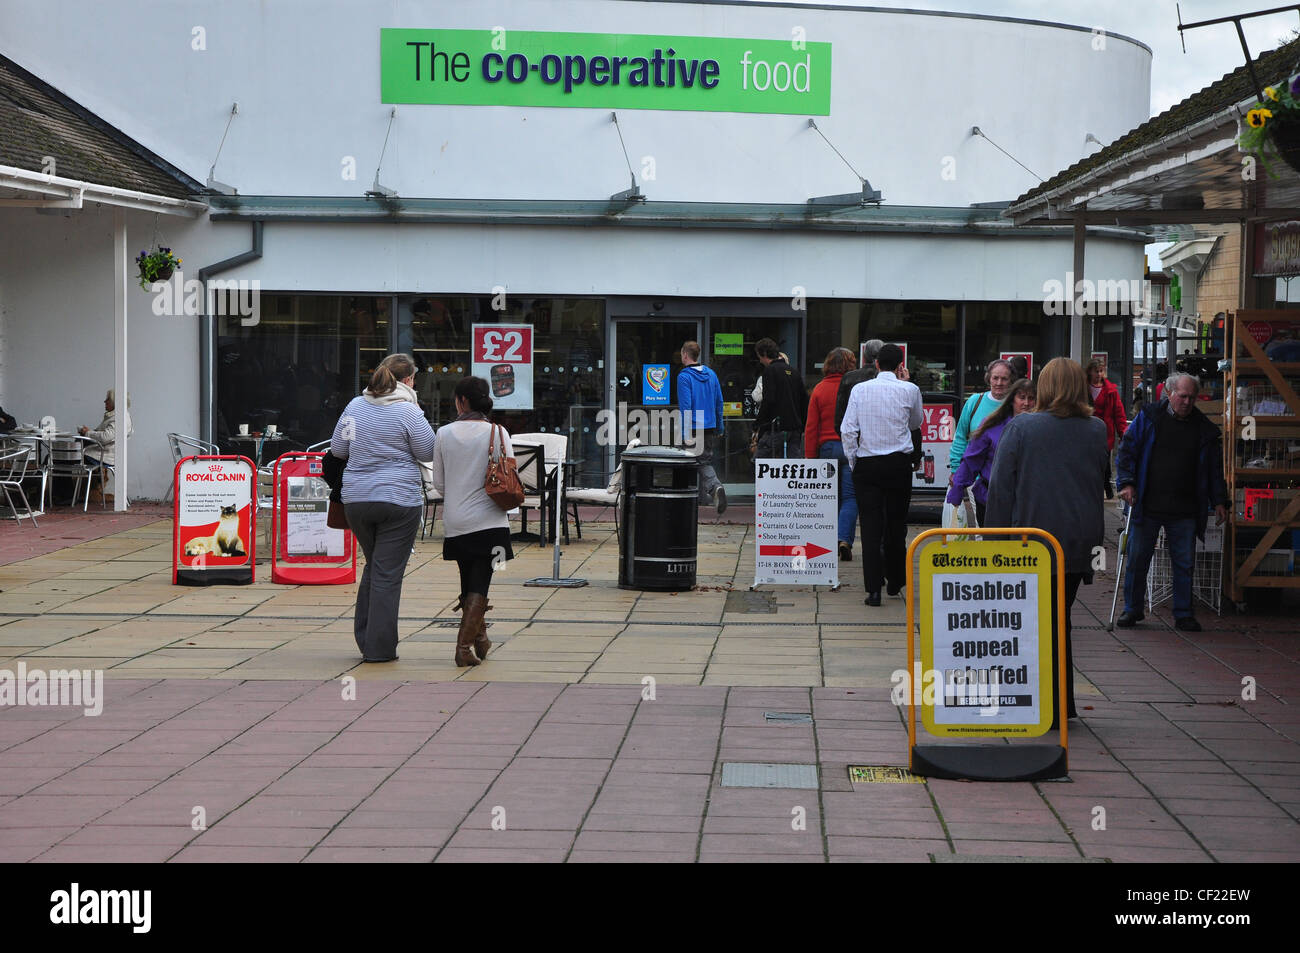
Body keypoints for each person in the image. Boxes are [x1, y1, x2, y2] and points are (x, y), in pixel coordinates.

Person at [985, 358, 1107, 727]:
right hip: (1078, 540)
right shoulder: (1097, 429)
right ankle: (1059, 702)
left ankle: (1042, 702)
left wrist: (993, 543)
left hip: (1032, 539)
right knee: (1059, 617)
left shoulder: (1023, 426)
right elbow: (1100, 479)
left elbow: (1001, 487)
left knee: (1034, 622)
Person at [331, 353, 435, 663]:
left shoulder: (354, 406)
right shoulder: (408, 411)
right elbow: (428, 450)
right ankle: (379, 649)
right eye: (414, 378)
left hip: (357, 499)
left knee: (375, 565)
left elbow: (338, 449)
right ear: (407, 381)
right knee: (387, 572)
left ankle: (365, 639)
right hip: (398, 500)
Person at [1115, 372, 1228, 632]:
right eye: (1182, 396)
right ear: (1169, 393)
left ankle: (1183, 613)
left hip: (1185, 508)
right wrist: (1127, 482)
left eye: (1192, 397)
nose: (1187, 402)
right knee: (1137, 559)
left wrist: (1220, 500)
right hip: (1147, 504)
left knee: (1184, 563)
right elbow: (1128, 450)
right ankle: (1132, 609)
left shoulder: (1203, 429)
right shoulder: (1149, 417)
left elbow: (1213, 469)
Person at [431, 376, 516, 667]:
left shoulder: (443, 434)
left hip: (456, 522)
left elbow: (439, 483)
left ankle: (480, 638)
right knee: (482, 581)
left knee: (468, 580)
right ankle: (464, 646)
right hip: (491, 521)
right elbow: (510, 478)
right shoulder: (498, 432)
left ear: (462, 401)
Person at [840, 344, 922, 606]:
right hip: (898, 463)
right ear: (900, 366)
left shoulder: (859, 390)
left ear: (876, 364)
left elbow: (848, 430)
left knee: (871, 527)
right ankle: (896, 579)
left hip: (868, 463)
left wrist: (854, 460)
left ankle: (873, 589)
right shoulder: (910, 389)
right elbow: (915, 423)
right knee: (896, 525)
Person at [946, 377, 1036, 527]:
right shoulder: (992, 425)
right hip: (991, 500)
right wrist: (958, 487)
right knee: (994, 548)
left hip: (1027, 503)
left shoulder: (1042, 428)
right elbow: (972, 460)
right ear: (1012, 399)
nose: (1026, 403)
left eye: (1031, 398)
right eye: (1022, 397)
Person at [806, 347, 859, 562]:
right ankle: (844, 539)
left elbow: (811, 427)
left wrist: (810, 458)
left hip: (827, 448)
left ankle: (828, 541)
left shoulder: (819, 389)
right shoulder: (857, 388)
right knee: (850, 496)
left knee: (829, 497)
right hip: (850, 447)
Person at [677, 340, 727, 515]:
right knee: (701, 460)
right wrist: (720, 427)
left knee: (693, 462)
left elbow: (686, 406)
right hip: (709, 426)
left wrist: (685, 433)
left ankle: (713, 488)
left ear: (684, 354)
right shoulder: (711, 374)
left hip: (692, 427)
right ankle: (694, 498)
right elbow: (719, 402)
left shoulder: (684, 377)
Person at [949, 359, 1013, 473]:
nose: (999, 383)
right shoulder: (974, 402)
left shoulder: (1015, 405)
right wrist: (956, 470)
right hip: (972, 478)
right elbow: (960, 437)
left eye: (1004, 379)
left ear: (1011, 381)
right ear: (989, 379)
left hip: (1005, 479)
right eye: (995, 378)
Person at [753, 338, 807, 459]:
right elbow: (804, 401)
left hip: (776, 428)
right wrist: (802, 426)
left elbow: (768, 400)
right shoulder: (794, 372)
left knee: (759, 463)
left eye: (759, 357)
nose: (760, 361)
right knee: (792, 466)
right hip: (794, 429)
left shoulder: (770, 371)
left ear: (764, 354)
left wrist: (758, 424)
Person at [78, 388, 134, 503]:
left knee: (64, 457)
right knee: (66, 455)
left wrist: (87, 433)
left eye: (107, 399)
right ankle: (70, 494)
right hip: (105, 452)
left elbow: (105, 437)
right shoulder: (116, 416)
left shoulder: (119, 418)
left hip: (104, 455)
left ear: (115, 402)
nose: (104, 402)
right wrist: (90, 432)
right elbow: (105, 434)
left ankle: (66, 495)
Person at [834, 339, 883, 432]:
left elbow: (840, 416)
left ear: (864, 357)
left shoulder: (849, 378)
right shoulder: (891, 380)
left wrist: (848, 441)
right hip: (882, 437)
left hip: (855, 436)